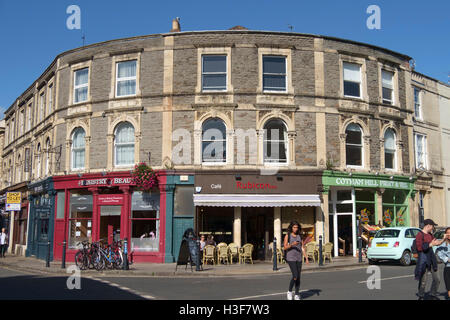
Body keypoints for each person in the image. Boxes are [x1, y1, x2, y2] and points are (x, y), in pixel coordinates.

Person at [414, 219, 446, 300]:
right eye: (432, 226)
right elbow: (419, 247)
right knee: (423, 281)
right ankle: (421, 296)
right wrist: (430, 244)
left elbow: (436, 243)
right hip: (423, 260)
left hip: (432, 260)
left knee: (437, 279)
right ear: (428, 225)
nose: (433, 228)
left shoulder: (430, 235)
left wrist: (443, 239)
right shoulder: (419, 235)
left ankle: (432, 294)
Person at [284, 221, 307, 300]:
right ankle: (289, 291)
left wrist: (306, 258)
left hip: (299, 258)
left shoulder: (300, 236)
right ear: (291, 227)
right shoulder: (288, 236)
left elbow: (302, 247)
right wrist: (292, 244)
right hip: (290, 258)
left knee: (298, 277)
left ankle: (297, 294)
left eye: (297, 227)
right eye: (294, 227)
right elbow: (285, 247)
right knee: (295, 276)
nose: (296, 229)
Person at [436, 228, 450, 300]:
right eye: (447, 233)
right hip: (448, 267)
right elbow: (439, 253)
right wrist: (447, 259)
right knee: (449, 287)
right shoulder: (443, 244)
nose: (449, 234)